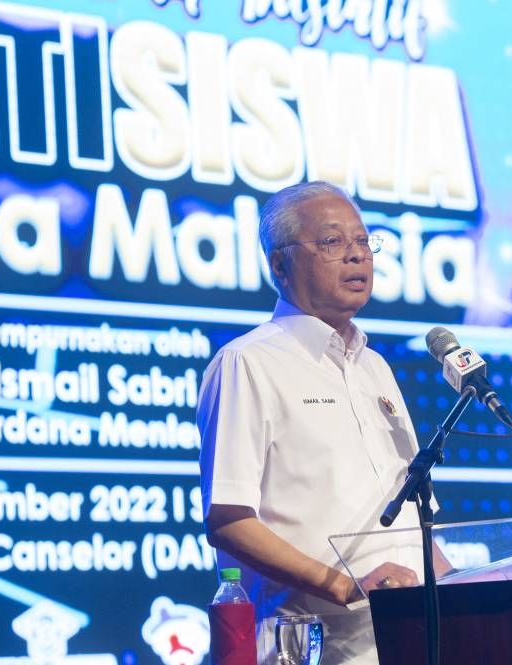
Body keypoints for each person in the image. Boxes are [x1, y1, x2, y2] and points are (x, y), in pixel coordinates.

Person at [197, 181, 434, 664]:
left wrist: (471, 586)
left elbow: (412, 522)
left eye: (363, 241)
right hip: (309, 650)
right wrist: (348, 587)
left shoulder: (375, 368)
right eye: (331, 242)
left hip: (407, 643)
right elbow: (229, 520)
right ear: (280, 264)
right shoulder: (249, 362)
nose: (356, 256)